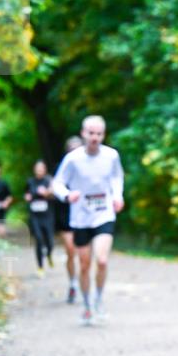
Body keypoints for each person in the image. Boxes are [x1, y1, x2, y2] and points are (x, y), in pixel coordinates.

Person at [50, 116, 125, 325]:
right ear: (83, 133)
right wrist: (67, 195)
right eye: (91, 133)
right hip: (81, 218)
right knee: (84, 265)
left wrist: (118, 196)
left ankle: (99, 299)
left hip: (103, 214)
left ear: (103, 135)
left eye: (99, 134)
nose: (95, 137)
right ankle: (87, 305)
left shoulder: (111, 156)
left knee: (102, 260)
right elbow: (57, 183)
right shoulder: (73, 159)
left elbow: (117, 178)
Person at [55, 136, 83, 303]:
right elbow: (56, 187)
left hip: (85, 215)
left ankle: (83, 280)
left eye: (77, 148)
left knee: (83, 253)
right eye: (71, 149)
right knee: (71, 251)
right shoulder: (62, 168)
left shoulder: (91, 166)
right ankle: (73, 283)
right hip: (66, 214)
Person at [24, 160, 54, 278]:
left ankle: (49, 254)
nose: (39, 170)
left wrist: (46, 193)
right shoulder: (30, 182)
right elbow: (26, 194)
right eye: (37, 168)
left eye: (41, 168)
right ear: (34, 169)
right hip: (34, 216)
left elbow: (54, 195)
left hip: (47, 216)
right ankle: (40, 267)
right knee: (39, 240)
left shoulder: (48, 181)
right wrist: (27, 197)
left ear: (45, 169)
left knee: (49, 241)